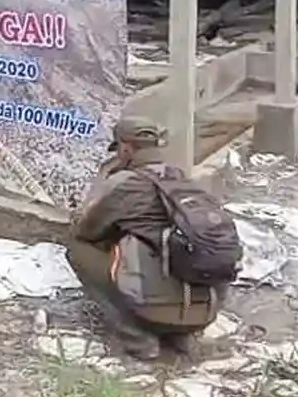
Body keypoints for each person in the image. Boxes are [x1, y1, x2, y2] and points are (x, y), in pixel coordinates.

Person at [67, 117, 230, 360]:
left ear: (125, 149)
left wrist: (99, 189)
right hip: (204, 313)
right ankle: (182, 335)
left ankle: (138, 338)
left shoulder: (125, 183)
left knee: (78, 248)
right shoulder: (183, 180)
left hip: (150, 313)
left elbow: (86, 231)